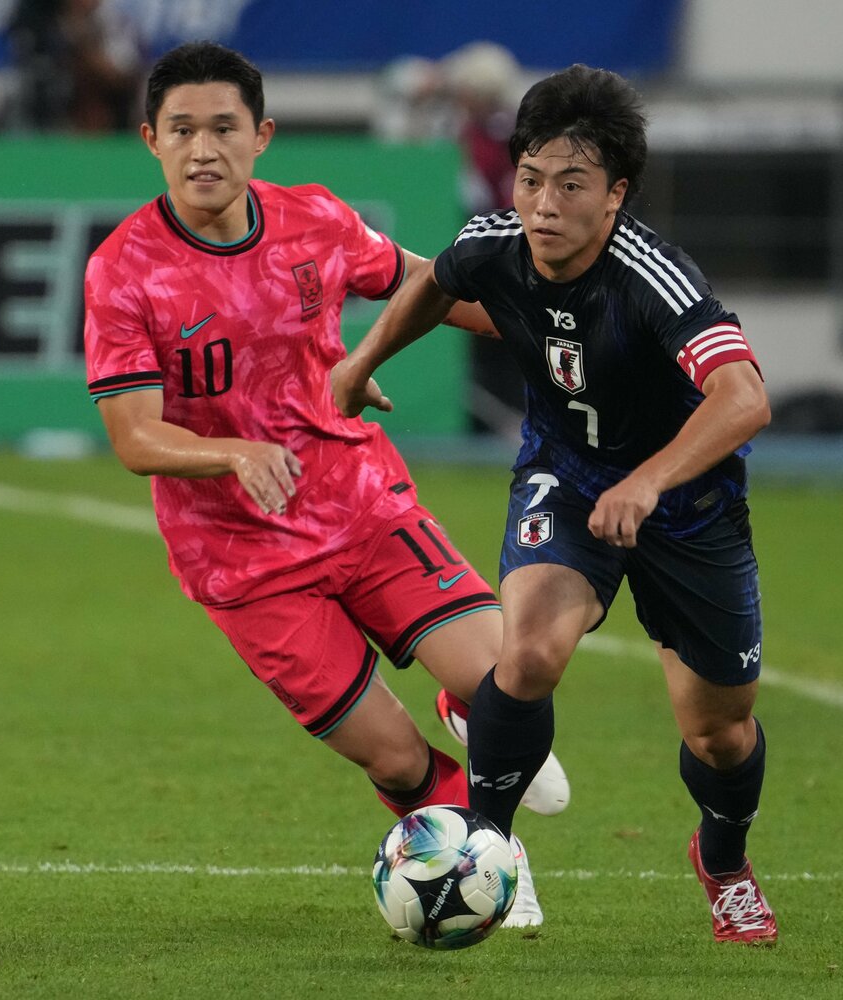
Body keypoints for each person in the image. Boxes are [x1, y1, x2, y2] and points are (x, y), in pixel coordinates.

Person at [81, 42, 570, 928]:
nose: (203, 149)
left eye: (223, 128)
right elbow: (133, 435)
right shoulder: (125, 269)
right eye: (181, 130)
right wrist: (233, 453)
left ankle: (478, 766)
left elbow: (424, 283)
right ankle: (483, 847)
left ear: (261, 135)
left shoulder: (314, 219)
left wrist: (540, 329)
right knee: (394, 761)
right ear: (150, 139)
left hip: (360, 504)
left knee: (511, 677)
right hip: (243, 560)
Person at [334, 64, 778, 944]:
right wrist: (361, 360)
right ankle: (485, 846)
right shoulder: (494, 241)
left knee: (720, 733)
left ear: (616, 194)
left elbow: (745, 397)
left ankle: (724, 859)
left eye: (571, 185)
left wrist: (647, 482)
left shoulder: (653, 278)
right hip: (565, 477)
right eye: (530, 179)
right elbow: (437, 283)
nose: (543, 205)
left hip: (687, 506)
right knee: (530, 651)